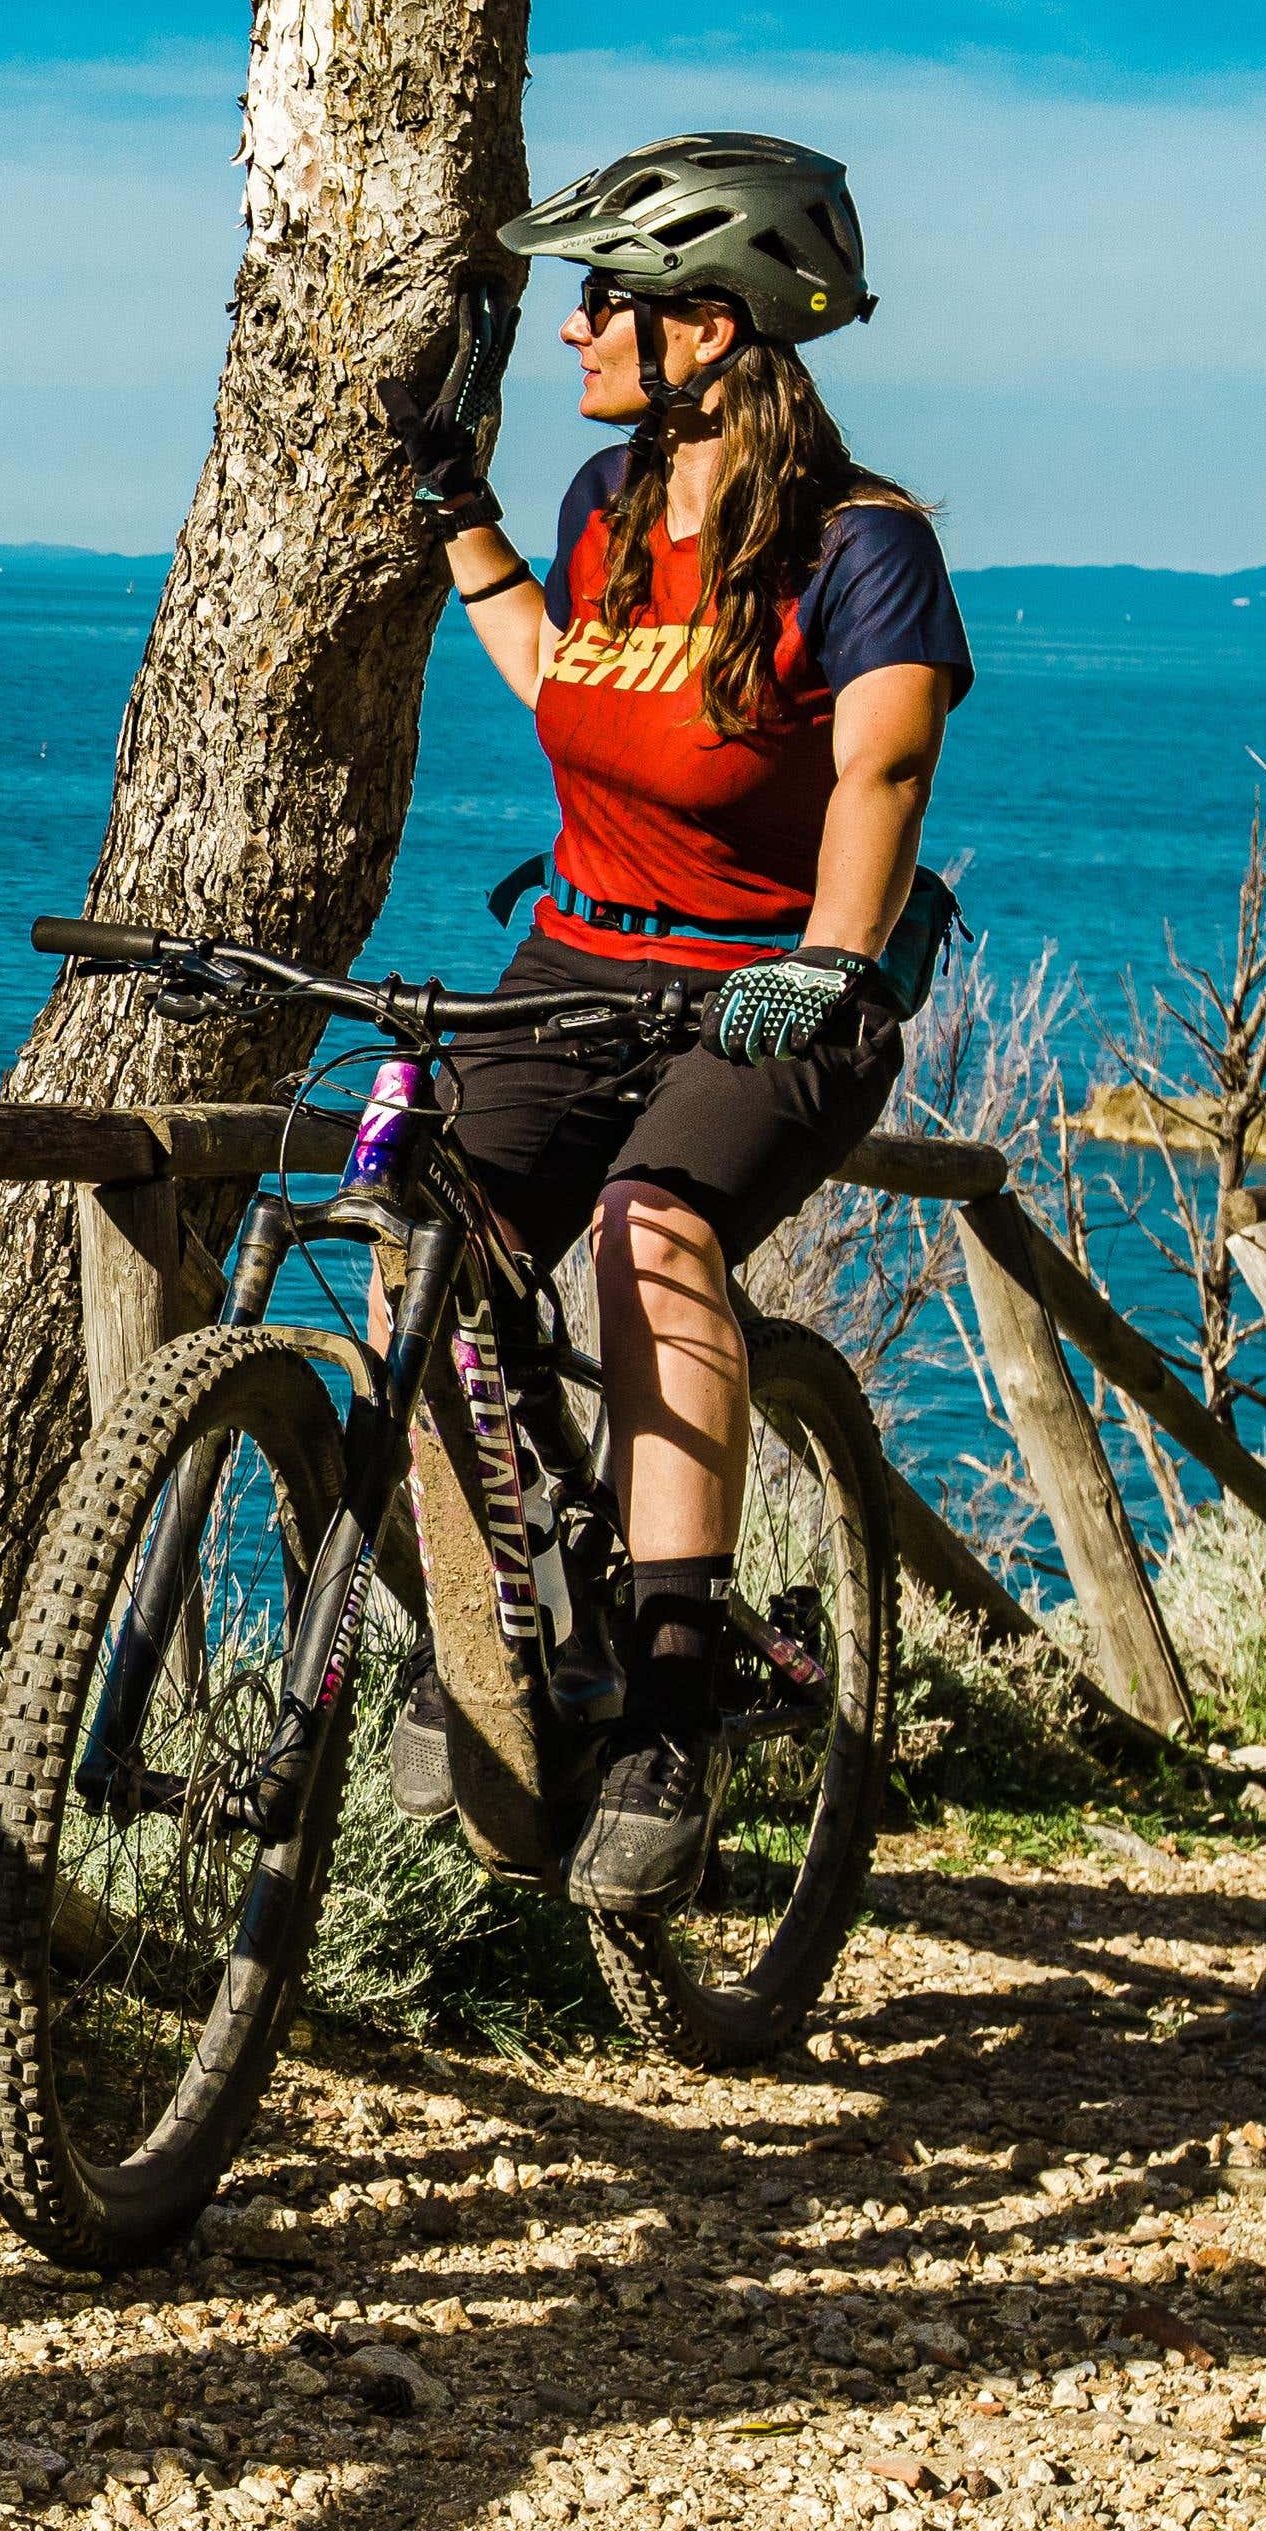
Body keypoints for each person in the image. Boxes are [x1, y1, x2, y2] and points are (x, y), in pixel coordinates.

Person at [382, 131, 972, 1918]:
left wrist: (834, 957)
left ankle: (672, 1697)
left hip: (781, 983)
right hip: (581, 961)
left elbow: (883, 767)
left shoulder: (864, 545)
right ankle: (498, 1619)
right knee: (423, 1232)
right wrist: (460, 507)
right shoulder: (606, 507)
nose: (574, 331)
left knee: (653, 1227)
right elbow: (567, 677)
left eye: (603, 299)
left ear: (709, 327)